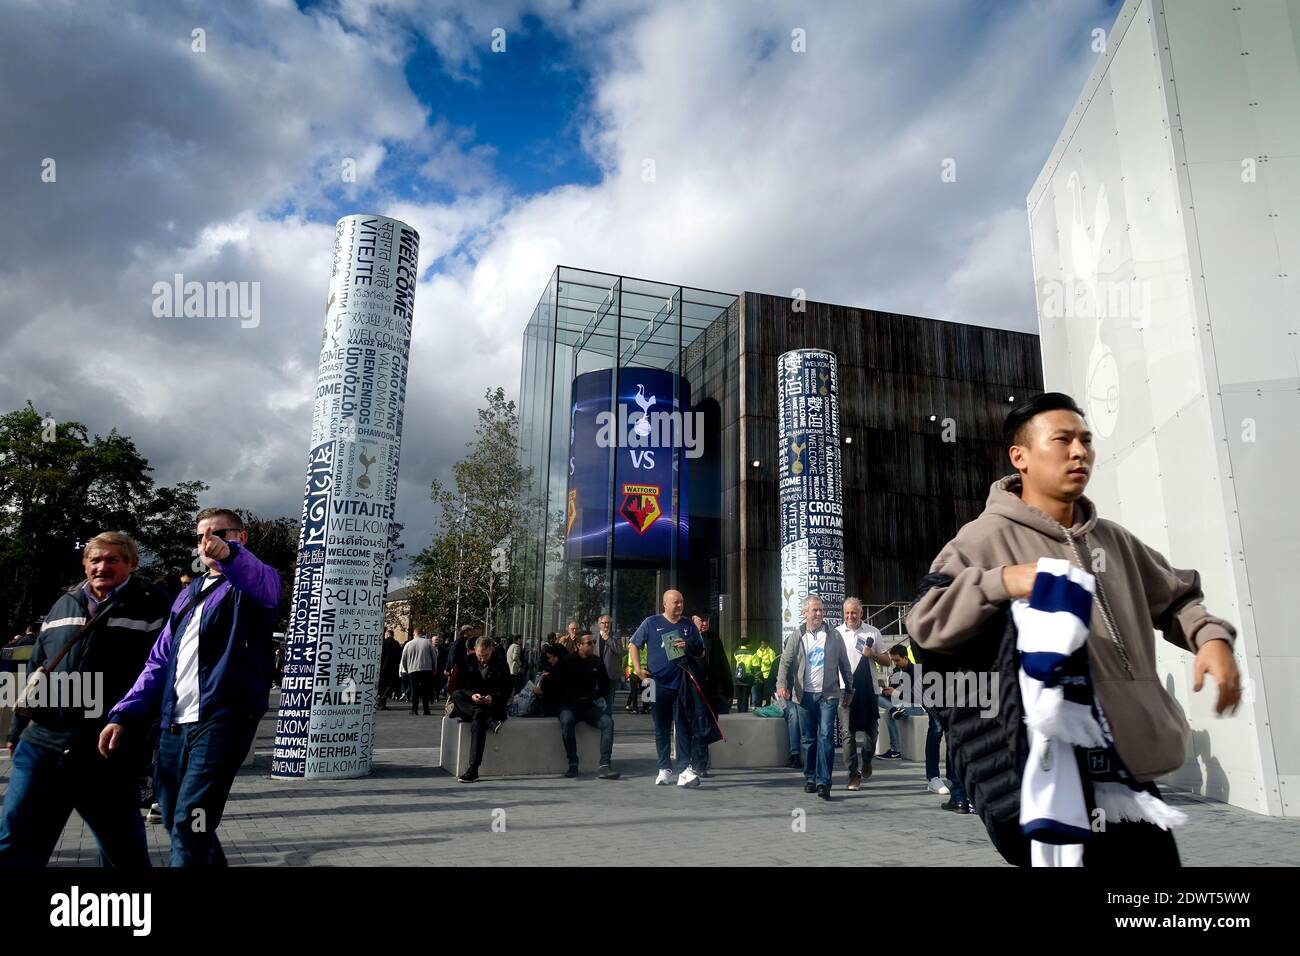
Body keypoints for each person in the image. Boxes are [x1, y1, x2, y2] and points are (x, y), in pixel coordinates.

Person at [907, 393, 1241, 865]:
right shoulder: (983, 537)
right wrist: (1004, 579)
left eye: (1085, 440)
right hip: (1049, 777)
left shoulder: (1115, 540)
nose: (1080, 452)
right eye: (1062, 440)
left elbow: (1177, 597)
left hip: (1130, 775)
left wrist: (1210, 638)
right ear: (1019, 457)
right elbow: (925, 620)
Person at [100, 508, 281, 867]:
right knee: (172, 814)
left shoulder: (255, 585)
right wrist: (124, 712)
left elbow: (261, 579)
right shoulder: (188, 594)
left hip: (221, 721)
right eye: (200, 536)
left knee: (192, 821)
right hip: (174, 726)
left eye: (217, 533)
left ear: (240, 537)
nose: (206, 542)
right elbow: (159, 660)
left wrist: (230, 556)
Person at [0, 532, 171, 867]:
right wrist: (17, 728)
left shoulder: (154, 604)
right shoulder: (64, 602)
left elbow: (163, 671)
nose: (102, 566)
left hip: (106, 748)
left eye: (112, 560)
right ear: (85, 563)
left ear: (132, 564)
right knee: (15, 839)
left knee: (123, 849)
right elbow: (38, 666)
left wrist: (137, 725)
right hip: (44, 741)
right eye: (95, 559)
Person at [629, 590, 710, 788]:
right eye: (675, 602)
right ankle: (664, 768)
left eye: (682, 602)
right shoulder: (651, 622)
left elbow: (700, 650)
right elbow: (633, 644)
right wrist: (638, 669)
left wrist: (688, 644)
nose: (680, 606)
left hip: (682, 683)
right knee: (661, 726)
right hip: (656, 683)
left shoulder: (688, 625)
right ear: (665, 603)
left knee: (682, 725)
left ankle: (684, 769)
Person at [776, 595, 854, 801]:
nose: (819, 614)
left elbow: (844, 664)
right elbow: (785, 662)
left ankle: (824, 782)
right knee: (809, 739)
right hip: (804, 696)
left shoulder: (834, 635)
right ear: (805, 613)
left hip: (828, 695)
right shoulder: (797, 636)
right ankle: (810, 777)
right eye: (814, 610)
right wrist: (782, 685)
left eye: (821, 610)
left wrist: (848, 690)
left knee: (826, 736)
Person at [836, 597, 892, 791]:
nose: (850, 616)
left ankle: (867, 759)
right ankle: (853, 774)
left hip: (868, 689)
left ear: (861, 613)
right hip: (845, 689)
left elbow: (887, 661)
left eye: (854, 612)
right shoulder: (836, 634)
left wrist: (872, 655)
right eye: (847, 613)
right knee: (847, 733)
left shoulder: (872, 632)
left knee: (871, 731)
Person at [551, 631, 620, 779]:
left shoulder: (597, 662)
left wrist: (593, 696)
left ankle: (604, 765)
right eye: (589, 643)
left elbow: (605, 686)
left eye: (594, 642)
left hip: (587, 705)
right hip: (568, 705)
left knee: (608, 723)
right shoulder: (567, 661)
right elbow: (555, 685)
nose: (593, 645)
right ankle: (573, 764)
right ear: (578, 645)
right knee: (567, 721)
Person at [886, 644, 949, 797]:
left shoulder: (915, 671)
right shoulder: (902, 672)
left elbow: (918, 695)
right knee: (937, 732)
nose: (895, 663)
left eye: (897, 660)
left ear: (905, 658)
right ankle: (935, 777)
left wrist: (896, 693)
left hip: (937, 702)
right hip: (934, 704)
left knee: (938, 732)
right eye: (893, 660)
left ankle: (937, 777)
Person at [447, 637, 513, 782]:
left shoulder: (501, 664)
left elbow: (507, 689)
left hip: (491, 705)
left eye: (486, 655)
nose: (482, 659)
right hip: (471, 704)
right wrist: (472, 696)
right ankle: (488, 719)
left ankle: (473, 769)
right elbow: (457, 688)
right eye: (479, 655)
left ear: (491, 650)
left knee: (478, 720)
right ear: (475, 651)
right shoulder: (467, 662)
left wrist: (492, 698)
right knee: (459, 696)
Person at [693, 614, 732, 777]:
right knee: (697, 726)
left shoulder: (714, 639)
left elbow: (723, 664)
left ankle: (701, 762)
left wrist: (729, 690)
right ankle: (696, 763)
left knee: (707, 726)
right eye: (701, 620)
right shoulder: (688, 638)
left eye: (706, 620)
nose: (704, 623)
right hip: (694, 689)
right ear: (693, 621)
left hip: (712, 690)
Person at [400, 629, 435, 716]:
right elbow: (434, 657)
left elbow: (403, 659)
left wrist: (407, 669)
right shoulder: (428, 643)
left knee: (414, 690)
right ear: (422, 634)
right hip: (426, 669)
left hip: (413, 669)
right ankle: (426, 710)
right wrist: (434, 668)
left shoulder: (408, 644)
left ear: (414, 634)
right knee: (425, 690)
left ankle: (414, 709)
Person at [596, 615, 624, 717]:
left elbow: (620, 651)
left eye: (608, 623)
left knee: (609, 701)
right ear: (599, 625)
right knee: (597, 700)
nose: (606, 625)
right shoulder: (594, 637)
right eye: (604, 623)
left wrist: (608, 638)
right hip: (597, 674)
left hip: (610, 674)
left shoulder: (615, 636)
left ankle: (608, 724)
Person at [377, 629, 401, 709]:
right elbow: (399, 657)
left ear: (386, 635)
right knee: (390, 685)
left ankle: (381, 699)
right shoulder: (396, 644)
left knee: (382, 685)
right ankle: (383, 700)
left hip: (382, 667)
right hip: (392, 668)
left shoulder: (382, 643)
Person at [732, 637, 755, 713]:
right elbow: (753, 664)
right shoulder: (751, 652)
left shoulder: (736, 652)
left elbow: (735, 659)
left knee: (739, 695)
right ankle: (744, 710)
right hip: (747, 676)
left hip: (739, 675)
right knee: (745, 695)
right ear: (748, 643)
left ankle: (739, 709)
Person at [753, 637, 776, 707]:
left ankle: (767, 703)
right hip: (760, 674)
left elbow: (773, 663)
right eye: (761, 643)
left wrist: (765, 662)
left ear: (767, 644)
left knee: (767, 690)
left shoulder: (771, 652)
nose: (762, 645)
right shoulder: (758, 651)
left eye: (764, 643)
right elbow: (756, 659)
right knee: (759, 689)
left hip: (767, 674)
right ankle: (758, 704)